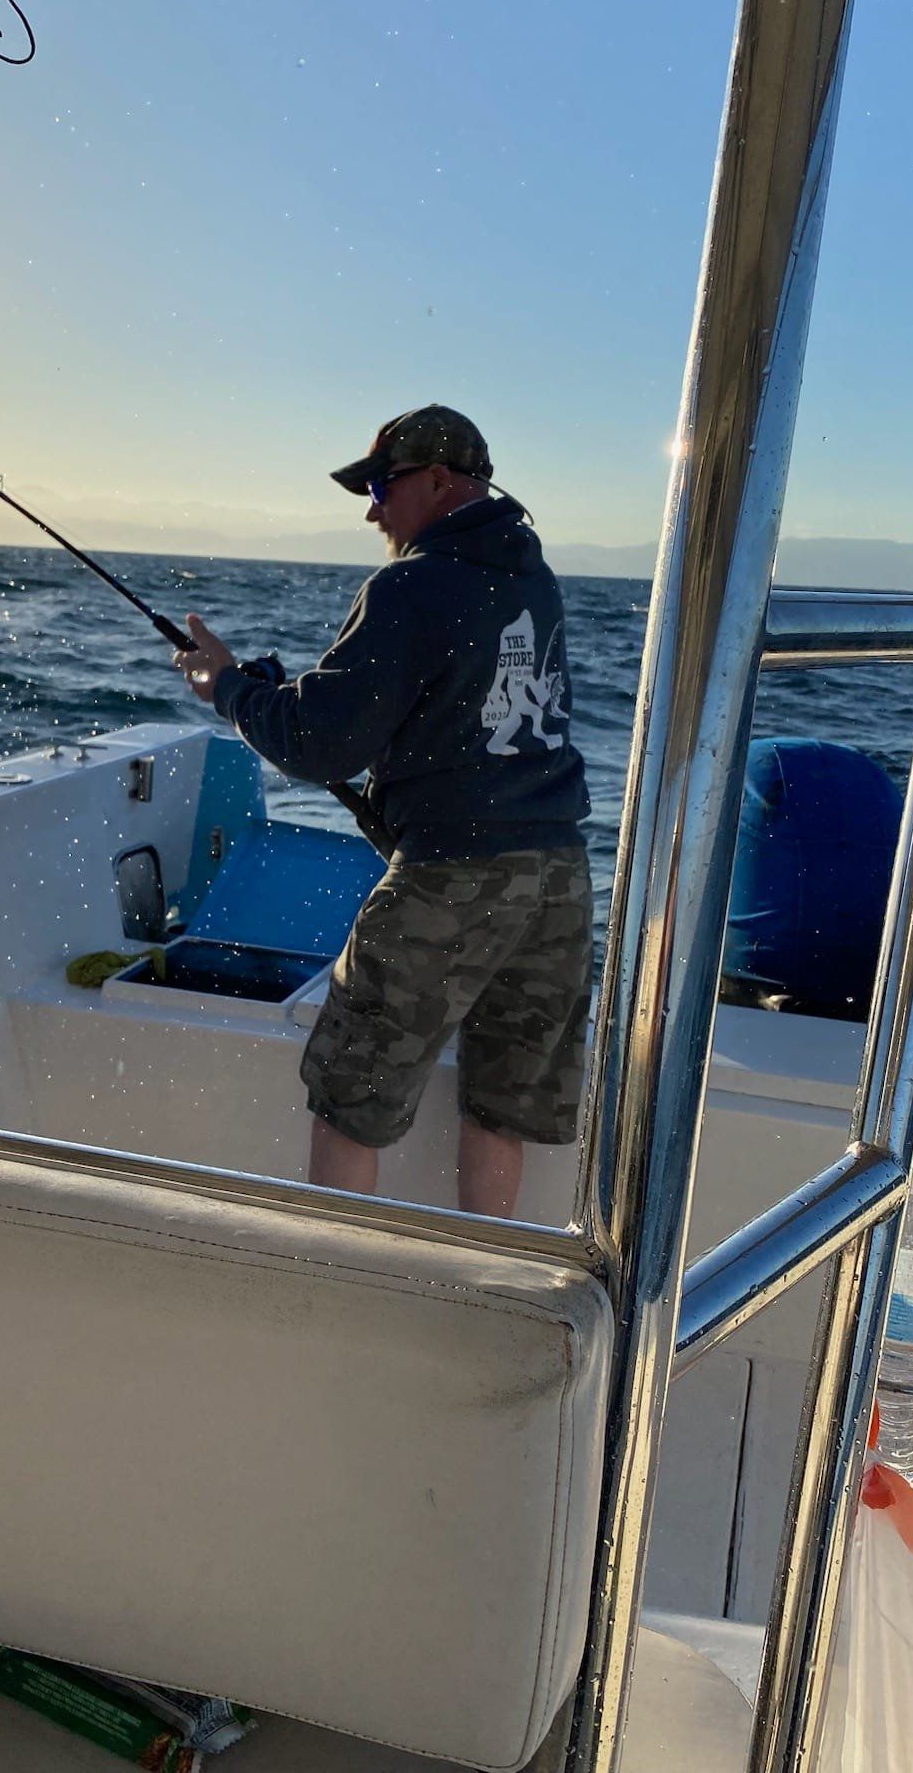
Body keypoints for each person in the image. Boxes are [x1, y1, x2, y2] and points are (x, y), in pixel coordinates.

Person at [175, 405, 590, 1217]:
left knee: (351, 1088)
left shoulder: (410, 584)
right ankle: (481, 1281)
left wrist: (224, 687)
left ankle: (336, 1281)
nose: (370, 510)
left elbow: (318, 744)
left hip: (454, 875)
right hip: (560, 882)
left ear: (440, 480)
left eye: (379, 486)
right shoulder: (533, 583)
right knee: (503, 1100)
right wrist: (271, 690)